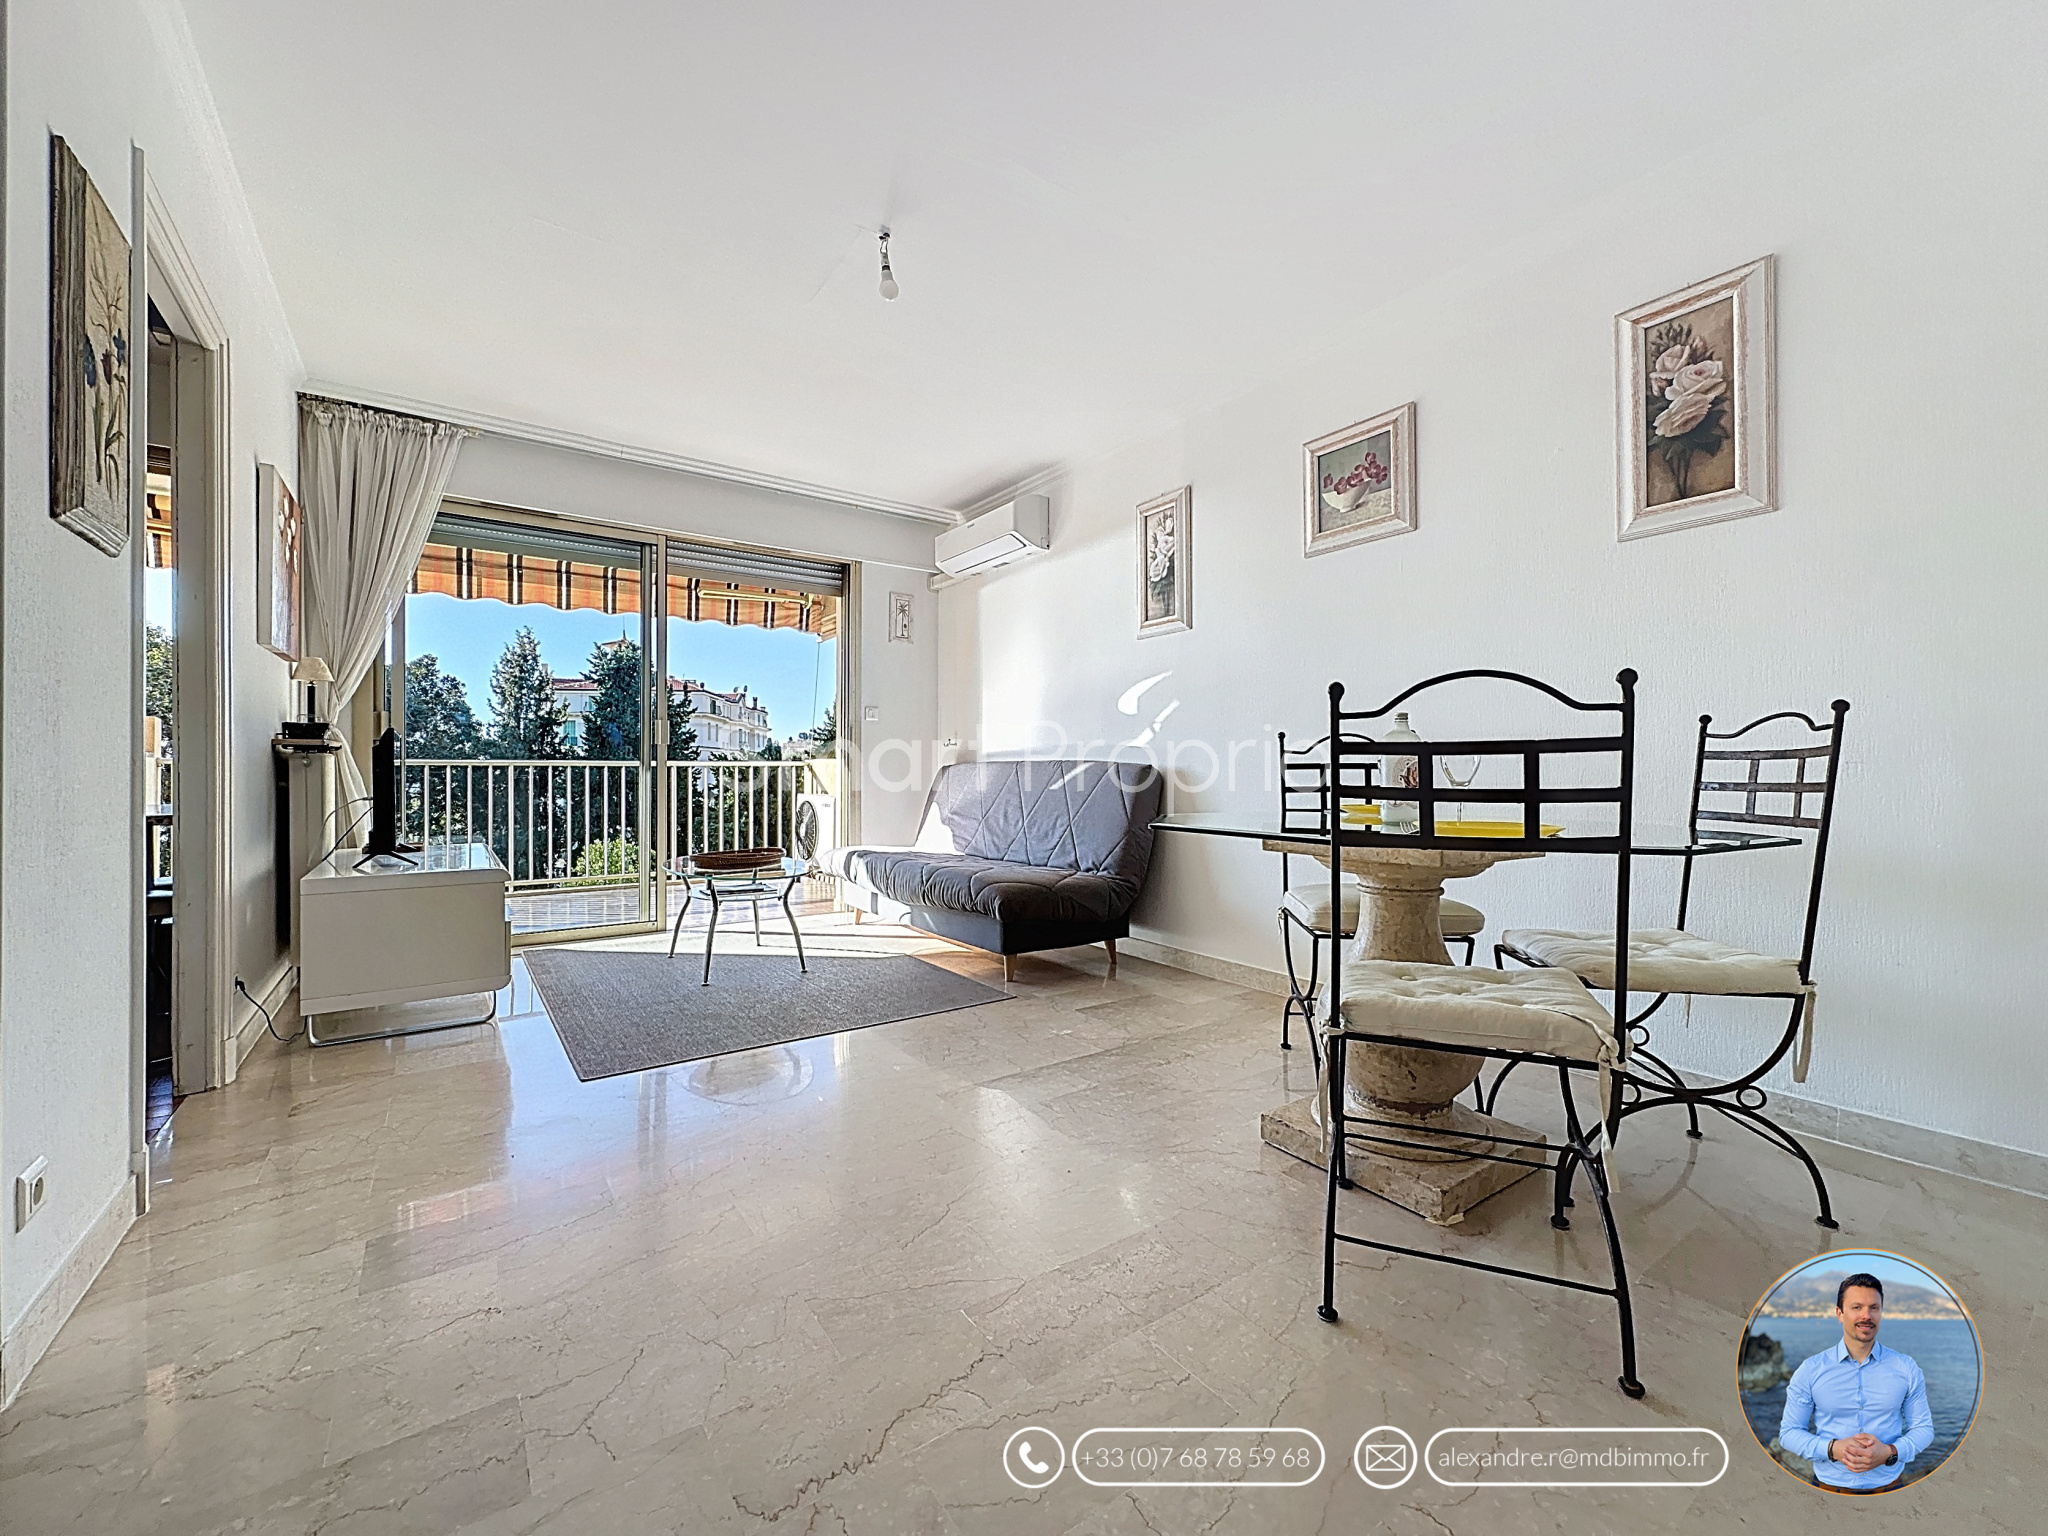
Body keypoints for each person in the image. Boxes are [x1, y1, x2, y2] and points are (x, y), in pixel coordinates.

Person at [1778, 1272, 1935, 1492]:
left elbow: (1923, 1429)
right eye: (1856, 1307)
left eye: (1874, 1308)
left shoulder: (1906, 1368)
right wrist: (1832, 1449)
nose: (1866, 1315)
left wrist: (1890, 1452)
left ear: (1881, 1312)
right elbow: (1789, 1433)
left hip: (1890, 1487)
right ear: (1839, 1314)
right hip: (1828, 1488)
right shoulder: (1810, 1370)